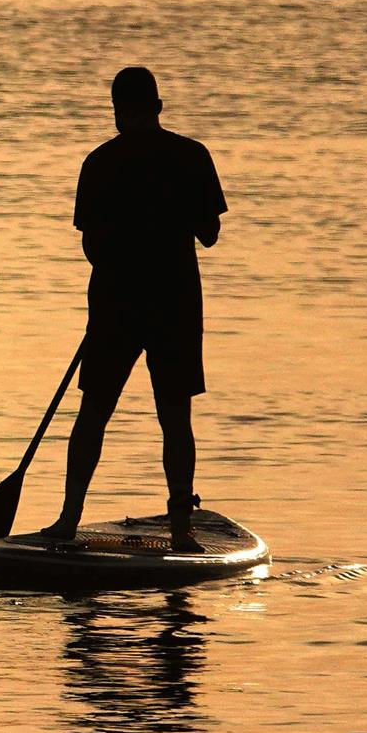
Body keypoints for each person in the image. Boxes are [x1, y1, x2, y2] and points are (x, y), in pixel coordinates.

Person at [41, 68, 227, 553]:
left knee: (93, 412)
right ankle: (182, 524)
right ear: (159, 106)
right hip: (175, 304)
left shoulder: (100, 161)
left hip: (115, 305)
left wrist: (119, 280)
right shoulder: (192, 156)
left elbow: (91, 245)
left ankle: (67, 519)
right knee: (175, 415)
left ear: (118, 111)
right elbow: (209, 233)